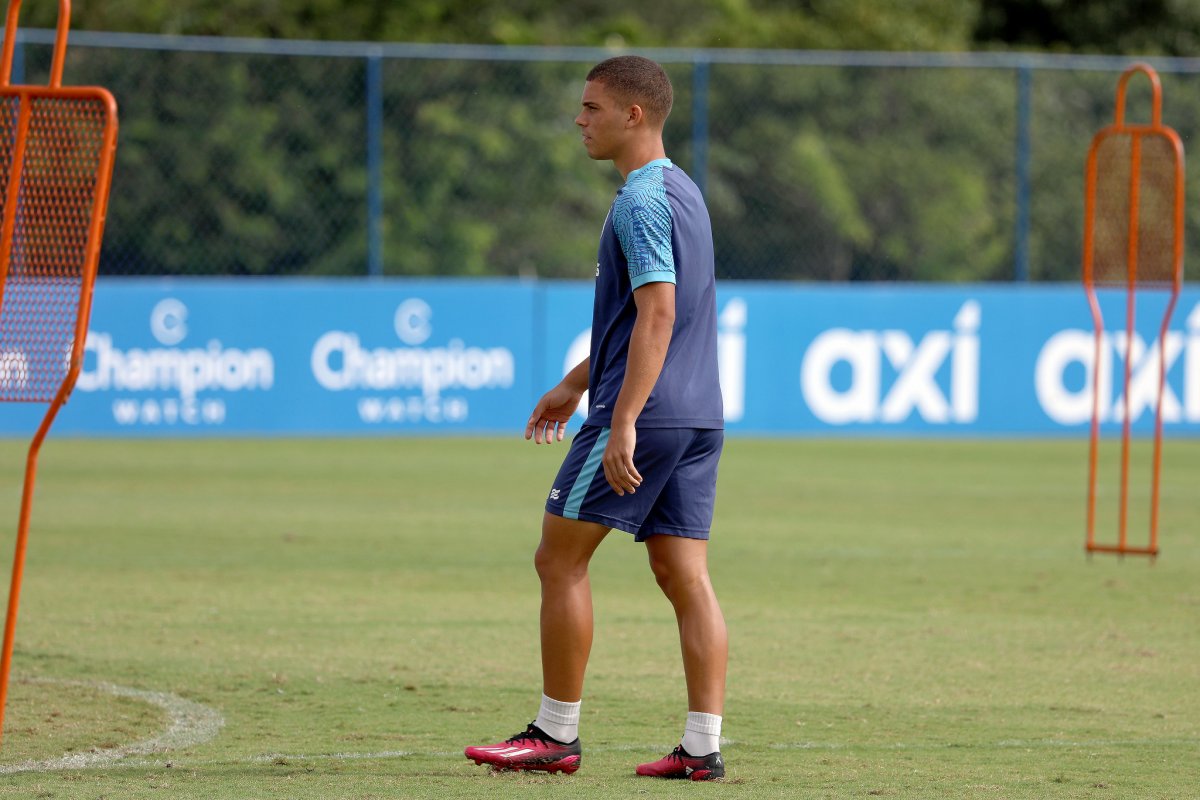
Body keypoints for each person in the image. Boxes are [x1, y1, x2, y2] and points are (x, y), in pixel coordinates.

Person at [464, 55, 728, 782]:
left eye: (591, 108)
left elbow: (660, 314)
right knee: (684, 574)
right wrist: (575, 383)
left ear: (633, 115)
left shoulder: (640, 200)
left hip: (647, 414)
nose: (579, 120)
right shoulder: (685, 192)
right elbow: (649, 317)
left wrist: (622, 420)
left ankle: (554, 734)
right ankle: (703, 747)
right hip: (700, 414)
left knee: (558, 558)